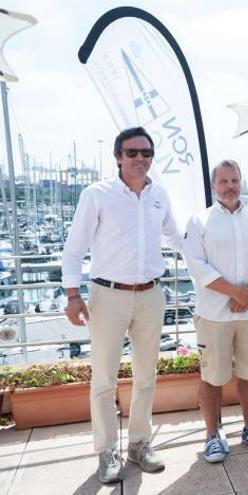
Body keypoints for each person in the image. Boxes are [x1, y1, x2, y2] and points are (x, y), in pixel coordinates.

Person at [61, 127, 181, 483]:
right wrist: (72, 295)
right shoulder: (96, 194)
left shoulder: (159, 194)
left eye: (146, 153)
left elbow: (175, 236)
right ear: (117, 156)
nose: (140, 159)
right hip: (107, 294)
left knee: (147, 376)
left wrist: (210, 258)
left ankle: (139, 443)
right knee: (103, 379)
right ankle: (107, 450)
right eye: (132, 153)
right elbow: (75, 247)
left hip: (150, 294)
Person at [183, 160, 248, 463]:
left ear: (242, 182)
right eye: (223, 181)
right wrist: (234, 293)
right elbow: (197, 266)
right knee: (212, 376)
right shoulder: (199, 221)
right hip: (214, 315)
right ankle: (213, 435)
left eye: (234, 180)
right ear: (213, 186)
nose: (229, 187)